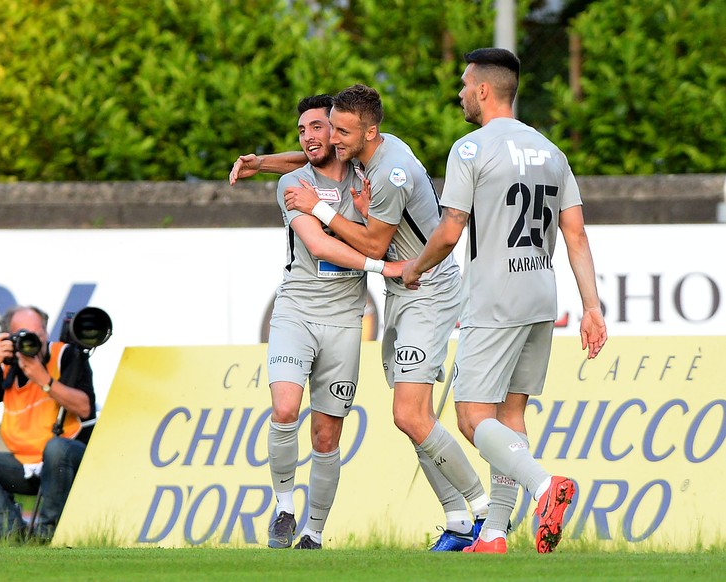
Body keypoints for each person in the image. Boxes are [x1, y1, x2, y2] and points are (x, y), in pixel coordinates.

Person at [233, 85, 491, 552]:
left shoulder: (379, 172)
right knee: (400, 416)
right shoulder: (337, 165)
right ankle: (455, 519)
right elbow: (313, 175)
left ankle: (483, 515)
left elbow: (372, 245)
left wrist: (321, 208)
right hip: (366, 298)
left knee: (403, 417)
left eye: (329, 127)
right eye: (310, 128)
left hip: (419, 290)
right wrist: (263, 162)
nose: (320, 135)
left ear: (355, 133)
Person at [402, 47, 608, 554]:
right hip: (541, 297)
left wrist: (415, 267)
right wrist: (593, 307)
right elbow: (576, 234)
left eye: (464, 84)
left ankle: (544, 487)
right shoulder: (551, 151)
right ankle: (494, 534)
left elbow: (451, 231)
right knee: (509, 417)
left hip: (494, 298)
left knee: (473, 417)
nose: (460, 93)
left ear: (484, 91)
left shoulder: (470, 149)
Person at [235, 94, 405, 550]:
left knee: (327, 434)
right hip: (296, 311)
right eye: (302, 131)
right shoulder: (293, 184)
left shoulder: (368, 175)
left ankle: (314, 532)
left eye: (318, 127)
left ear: (339, 130)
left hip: (347, 319)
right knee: (285, 409)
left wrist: (368, 216)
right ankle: (284, 507)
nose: (309, 137)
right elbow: (322, 246)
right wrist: (383, 268)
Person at [0, 305, 96, 539]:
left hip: (66, 462)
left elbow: (84, 407)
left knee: (56, 448)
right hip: (26, 466)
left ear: (46, 333)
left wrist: (44, 380)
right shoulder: (7, 365)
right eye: (25, 336)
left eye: (39, 334)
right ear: (10, 338)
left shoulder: (66, 355)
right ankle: (12, 532)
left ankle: (47, 533)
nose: (34, 342)